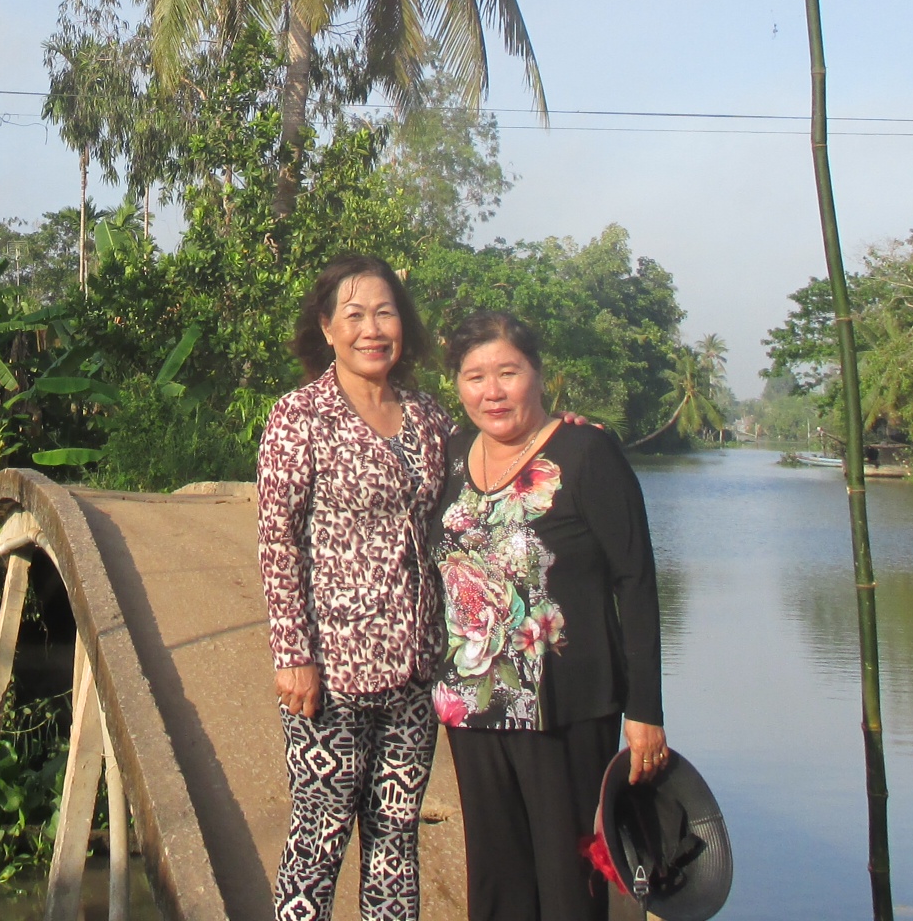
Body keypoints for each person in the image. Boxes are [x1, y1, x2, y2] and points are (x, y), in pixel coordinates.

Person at [429, 310, 664, 921]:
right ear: (457, 384)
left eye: (508, 372)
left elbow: (635, 580)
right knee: (497, 879)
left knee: (569, 881)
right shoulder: (451, 455)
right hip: (472, 701)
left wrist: (646, 711)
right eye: (474, 375)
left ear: (538, 375)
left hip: (567, 706)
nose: (492, 391)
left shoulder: (587, 452)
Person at [257, 254, 455, 921]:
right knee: (319, 835)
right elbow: (277, 539)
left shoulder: (428, 417)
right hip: (332, 675)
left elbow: (463, 503)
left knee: (396, 843)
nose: (374, 329)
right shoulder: (299, 416)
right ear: (327, 327)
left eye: (386, 312)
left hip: (415, 670)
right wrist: (293, 654)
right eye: (356, 314)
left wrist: (561, 440)